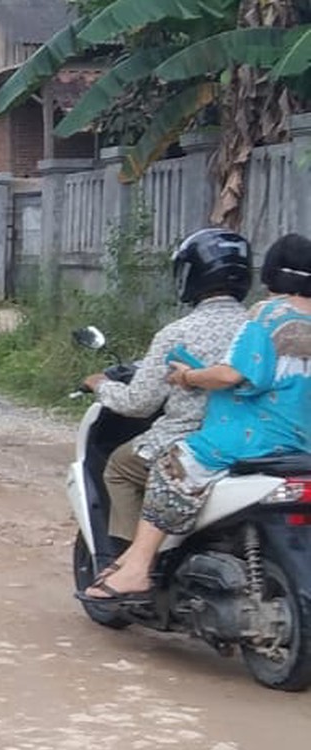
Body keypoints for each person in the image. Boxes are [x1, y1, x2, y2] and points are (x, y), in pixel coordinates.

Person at [80, 232, 311, 604]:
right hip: (302, 443)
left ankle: (136, 567)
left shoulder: (267, 315)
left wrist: (188, 377)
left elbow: (233, 375)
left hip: (251, 437)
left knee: (172, 468)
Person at [82, 228, 253, 548]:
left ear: (191, 275)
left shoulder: (177, 333)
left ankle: (130, 559)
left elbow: (138, 403)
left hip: (192, 442)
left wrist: (101, 385)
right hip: (255, 441)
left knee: (118, 466)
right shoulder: (259, 328)